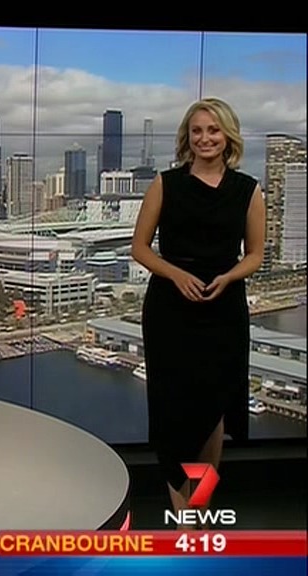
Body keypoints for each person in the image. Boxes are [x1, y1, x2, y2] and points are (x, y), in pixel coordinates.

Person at [131, 97, 266, 525]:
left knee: (213, 414)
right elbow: (139, 248)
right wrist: (175, 274)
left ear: (228, 136)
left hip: (223, 310)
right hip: (171, 311)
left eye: (213, 130)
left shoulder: (248, 190)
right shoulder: (165, 184)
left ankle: (200, 507)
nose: (205, 138)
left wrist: (228, 277)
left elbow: (256, 254)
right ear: (187, 138)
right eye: (197, 131)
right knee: (173, 413)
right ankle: (182, 517)